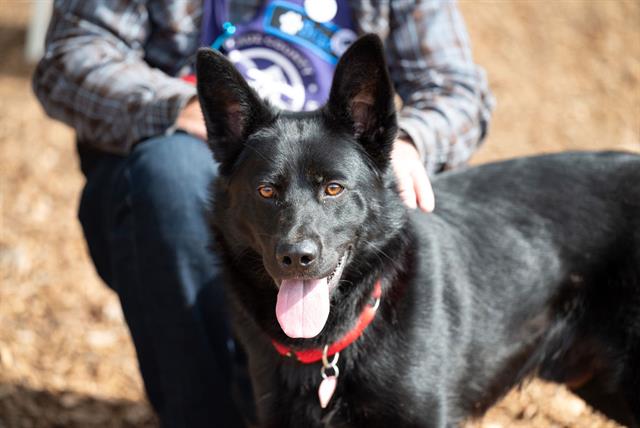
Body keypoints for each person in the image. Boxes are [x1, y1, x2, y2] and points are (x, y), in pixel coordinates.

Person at [33, 0, 493, 426]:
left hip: (347, 165)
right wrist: (180, 107)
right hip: (200, 178)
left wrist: (407, 141)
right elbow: (70, 57)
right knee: (170, 172)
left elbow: (457, 89)